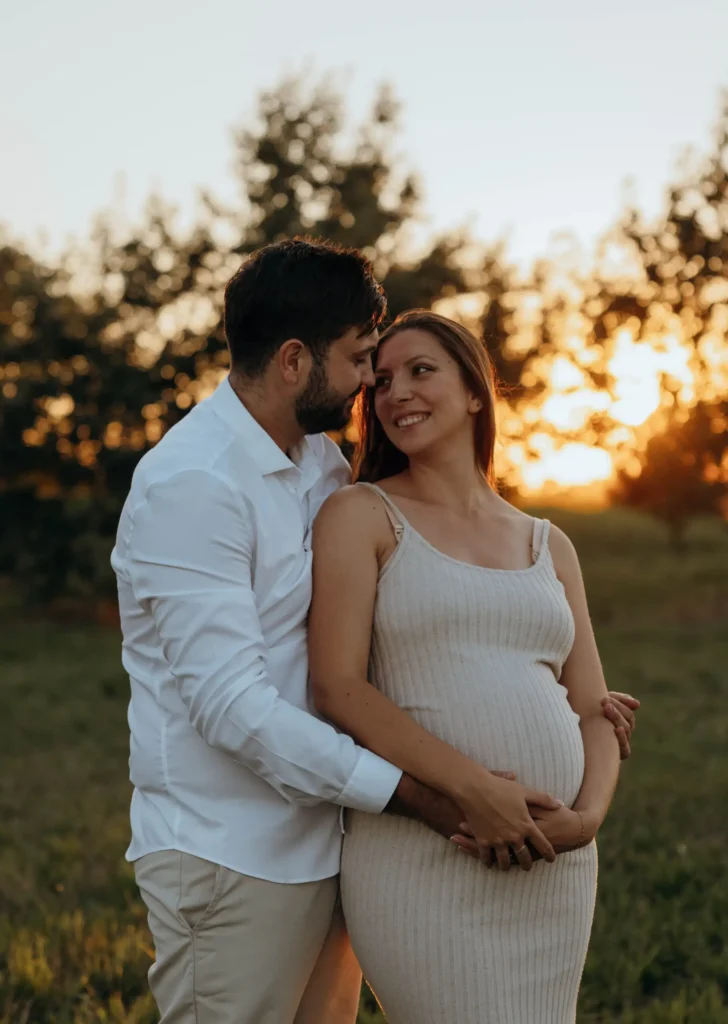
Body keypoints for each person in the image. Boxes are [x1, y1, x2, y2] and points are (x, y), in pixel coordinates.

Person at [111, 238, 639, 1024]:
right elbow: (234, 706)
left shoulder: (321, 469)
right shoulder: (196, 483)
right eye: (364, 361)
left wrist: (559, 730)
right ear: (295, 360)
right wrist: (434, 798)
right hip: (235, 851)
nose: (372, 385)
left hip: (334, 842)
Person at [308, 309, 624, 1023]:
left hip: (557, 866)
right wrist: (475, 791)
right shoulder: (362, 514)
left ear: (476, 392)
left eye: (422, 371)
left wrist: (588, 817)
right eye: (381, 381)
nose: (395, 394)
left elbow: (594, 708)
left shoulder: (549, 544)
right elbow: (338, 686)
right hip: (430, 854)